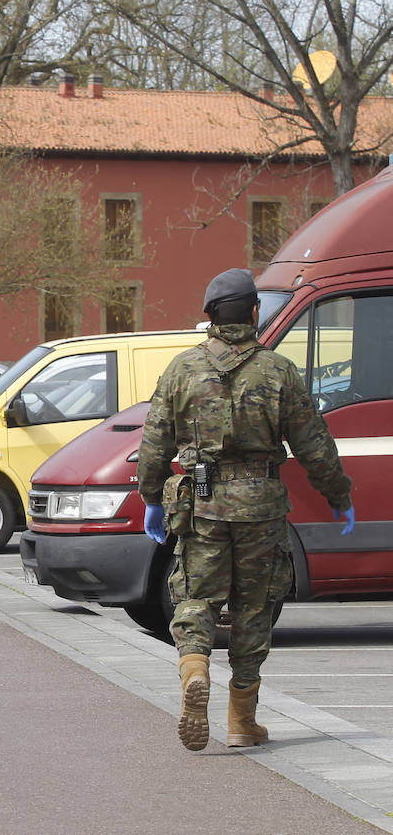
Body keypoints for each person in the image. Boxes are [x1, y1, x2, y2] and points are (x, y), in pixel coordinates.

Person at [139, 268, 355, 752]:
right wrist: (339, 496)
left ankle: (195, 670)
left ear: (210, 316)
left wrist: (152, 499)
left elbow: (153, 442)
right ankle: (242, 721)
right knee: (254, 607)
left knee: (196, 597)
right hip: (259, 506)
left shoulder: (181, 370)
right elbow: (313, 444)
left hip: (201, 504)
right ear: (255, 312)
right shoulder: (277, 371)